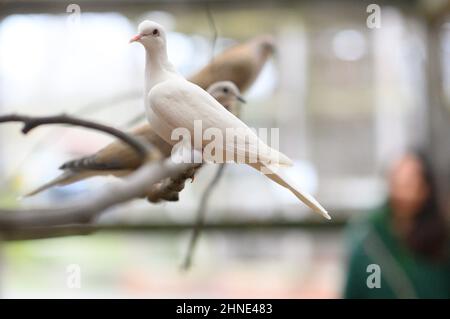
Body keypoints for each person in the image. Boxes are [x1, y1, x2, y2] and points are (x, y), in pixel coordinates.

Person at [344, 151, 450, 298]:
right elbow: (357, 289)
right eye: (397, 181)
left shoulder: (441, 238)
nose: (403, 191)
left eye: (411, 182)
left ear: (425, 188)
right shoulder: (368, 238)